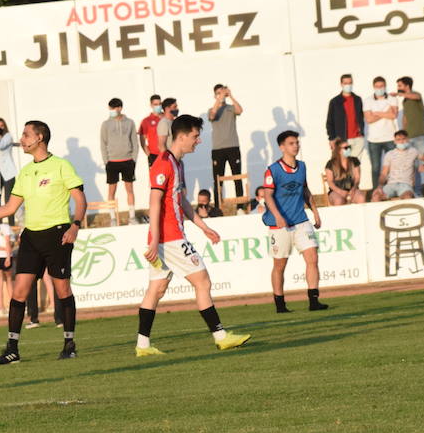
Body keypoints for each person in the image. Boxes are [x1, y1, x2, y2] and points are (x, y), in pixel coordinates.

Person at [0, 120, 86, 364]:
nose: (21, 139)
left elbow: (80, 198)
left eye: (25, 135)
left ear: (39, 137)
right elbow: (10, 207)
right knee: (19, 292)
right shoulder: (25, 172)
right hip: (31, 236)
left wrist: (75, 225)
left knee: (63, 289)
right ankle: (12, 349)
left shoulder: (61, 166)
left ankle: (69, 343)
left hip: (57, 234)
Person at [137, 115, 250, 357]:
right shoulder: (163, 163)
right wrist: (155, 241)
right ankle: (221, 336)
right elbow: (154, 204)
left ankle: (142, 346)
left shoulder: (178, 164)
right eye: (195, 136)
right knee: (203, 282)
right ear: (182, 136)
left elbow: (183, 203)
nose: (198, 141)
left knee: (156, 289)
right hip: (170, 239)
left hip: (167, 238)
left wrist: (203, 226)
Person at [263, 130, 327, 314]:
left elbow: (305, 189)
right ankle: (280, 304)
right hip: (279, 225)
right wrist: (277, 216)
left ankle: (314, 300)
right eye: (291, 143)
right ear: (282, 147)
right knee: (279, 265)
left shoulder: (302, 166)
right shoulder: (273, 170)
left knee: (312, 258)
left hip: (300, 220)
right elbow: (267, 195)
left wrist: (315, 212)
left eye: (297, 142)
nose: (296, 146)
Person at [207, 84, 244, 206]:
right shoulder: (212, 109)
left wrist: (230, 96)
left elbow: (239, 110)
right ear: (215, 95)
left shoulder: (230, 108)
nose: (221, 94)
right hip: (218, 149)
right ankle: (218, 206)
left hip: (233, 147)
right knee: (218, 179)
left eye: (222, 92)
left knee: (237, 177)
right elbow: (212, 116)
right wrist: (219, 99)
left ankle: (240, 205)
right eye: (218, 93)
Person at [100, 97, 139, 210]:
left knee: (130, 189)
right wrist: (106, 161)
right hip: (112, 162)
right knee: (112, 190)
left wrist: (134, 159)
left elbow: (134, 142)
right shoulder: (105, 124)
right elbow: (103, 143)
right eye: (110, 108)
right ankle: (112, 217)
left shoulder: (130, 123)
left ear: (120, 108)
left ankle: (132, 216)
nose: (111, 110)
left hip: (127, 161)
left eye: (113, 108)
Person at [364, 77, 399, 191]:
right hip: (374, 140)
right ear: (374, 87)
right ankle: (376, 191)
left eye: (382, 86)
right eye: (377, 86)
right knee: (376, 168)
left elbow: (394, 116)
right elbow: (368, 119)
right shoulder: (368, 100)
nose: (380, 88)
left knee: (392, 167)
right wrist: (386, 113)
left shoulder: (392, 99)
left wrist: (377, 113)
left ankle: (391, 190)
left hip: (390, 138)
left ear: (385, 86)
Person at [396, 77, 424, 195]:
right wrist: (404, 133)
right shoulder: (404, 101)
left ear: (407, 85)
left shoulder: (416, 95)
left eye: (400, 85)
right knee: (414, 167)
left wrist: (401, 94)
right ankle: (417, 192)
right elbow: (405, 117)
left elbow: (415, 97)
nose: (398, 88)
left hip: (420, 136)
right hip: (409, 138)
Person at [372, 130, 422, 201]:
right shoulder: (389, 154)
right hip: (391, 184)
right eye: (398, 140)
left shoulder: (413, 151)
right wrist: (379, 186)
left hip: (405, 185)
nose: (401, 142)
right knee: (376, 197)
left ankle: (396, 200)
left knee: (407, 197)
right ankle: (395, 200)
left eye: (403, 139)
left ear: (407, 139)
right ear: (394, 141)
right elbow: (384, 173)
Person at [326, 74, 366, 161]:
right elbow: (330, 122)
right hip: (343, 140)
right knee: (343, 166)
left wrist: (362, 133)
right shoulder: (335, 101)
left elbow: (361, 117)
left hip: (358, 139)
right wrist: (332, 138)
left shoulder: (357, 99)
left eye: (350, 83)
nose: (348, 85)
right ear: (341, 84)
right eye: (346, 83)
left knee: (355, 166)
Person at [323, 138, 366, 205]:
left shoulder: (354, 161)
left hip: (352, 190)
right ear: (339, 150)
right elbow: (330, 182)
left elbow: (357, 178)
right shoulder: (331, 164)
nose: (348, 149)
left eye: (349, 147)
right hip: (336, 191)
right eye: (346, 148)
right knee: (339, 200)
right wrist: (340, 192)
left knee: (361, 198)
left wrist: (353, 189)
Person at [0, 118, 18, 207]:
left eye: (2, 126)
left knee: (8, 200)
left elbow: (0, 146)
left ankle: (11, 221)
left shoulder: (8, 136)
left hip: (8, 173)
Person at [139, 94, 163, 168]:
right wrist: (149, 155)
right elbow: (142, 140)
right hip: (154, 155)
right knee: (157, 178)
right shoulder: (146, 121)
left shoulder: (167, 118)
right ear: (151, 105)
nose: (158, 106)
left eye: (159, 104)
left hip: (168, 153)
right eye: (155, 104)